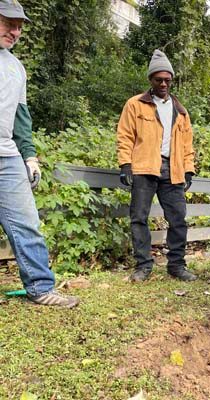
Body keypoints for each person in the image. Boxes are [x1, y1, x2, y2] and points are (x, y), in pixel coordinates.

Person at [0, 1, 79, 307]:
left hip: (7, 156)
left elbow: (21, 117)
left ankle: (40, 287)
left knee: (26, 221)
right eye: (8, 23)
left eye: (19, 26)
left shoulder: (16, 68)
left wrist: (30, 156)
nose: (16, 31)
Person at [117, 49, 197, 282]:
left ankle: (176, 265)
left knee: (178, 219)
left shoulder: (181, 112)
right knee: (139, 217)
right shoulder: (135, 105)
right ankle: (143, 265)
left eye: (167, 80)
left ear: (172, 81)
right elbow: (124, 136)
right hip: (143, 168)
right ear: (150, 80)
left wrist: (188, 168)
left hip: (173, 170)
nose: (163, 84)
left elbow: (187, 144)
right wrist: (125, 165)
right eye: (158, 80)